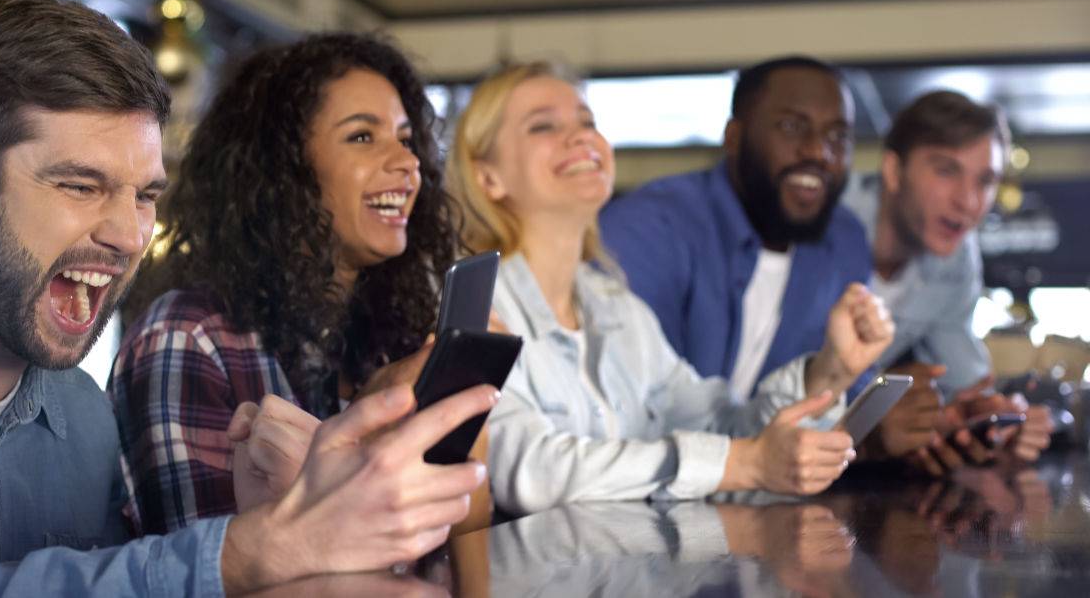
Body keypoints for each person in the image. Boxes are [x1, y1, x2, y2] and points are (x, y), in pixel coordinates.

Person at [0, 0, 492, 596]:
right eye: (80, 186)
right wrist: (258, 547)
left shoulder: (83, 415)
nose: (129, 235)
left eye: (145, 196)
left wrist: (259, 514)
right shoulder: (175, 345)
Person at [446, 62, 895, 516]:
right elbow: (530, 471)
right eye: (543, 126)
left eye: (588, 122)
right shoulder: (475, 306)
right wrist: (745, 463)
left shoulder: (617, 307)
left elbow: (721, 431)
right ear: (488, 178)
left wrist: (825, 374)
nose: (581, 137)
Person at [110, 32, 492, 535]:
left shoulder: (385, 339)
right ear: (282, 166)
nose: (408, 163)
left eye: (405, 139)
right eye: (362, 136)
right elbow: (209, 572)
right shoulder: (188, 338)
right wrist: (366, 430)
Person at [599, 56, 872, 402]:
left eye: (838, 136)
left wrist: (878, 422)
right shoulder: (650, 227)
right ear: (734, 137)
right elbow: (629, 403)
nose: (819, 152)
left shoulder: (845, 241)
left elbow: (846, 385)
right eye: (791, 127)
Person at [843, 90, 1053, 470]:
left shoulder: (957, 254)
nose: (969, 202)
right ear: (893, 171)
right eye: (946, 170)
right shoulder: (827, 220)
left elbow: (964, 381)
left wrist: (991, 414)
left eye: (985, 180)